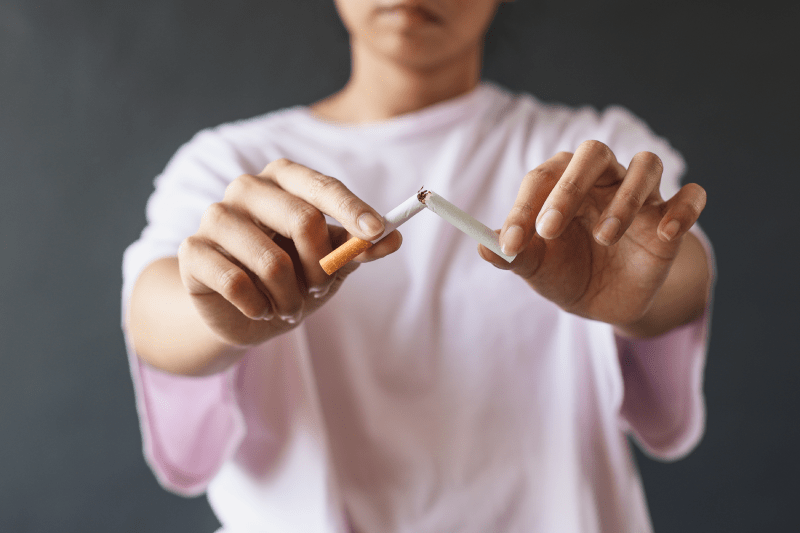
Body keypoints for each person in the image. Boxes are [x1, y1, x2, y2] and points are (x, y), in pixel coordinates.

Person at [123, 1, 714, 531]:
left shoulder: (591, 151)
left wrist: (647, 288)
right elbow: (153, 308)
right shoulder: (229, 163)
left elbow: (682, 271)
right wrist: (221, 309)